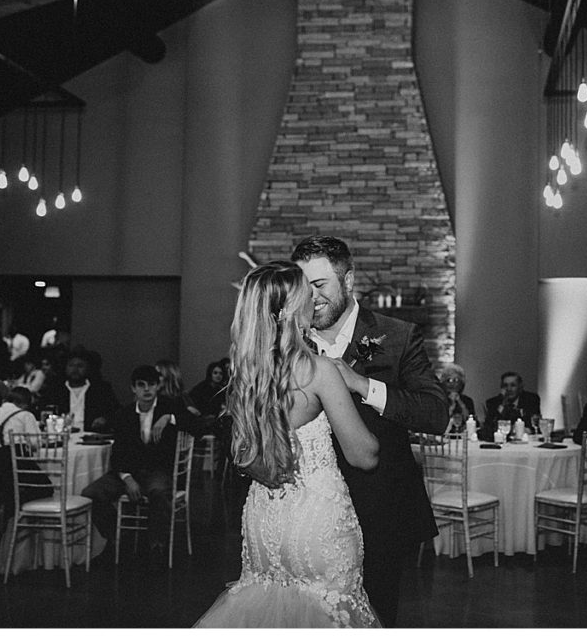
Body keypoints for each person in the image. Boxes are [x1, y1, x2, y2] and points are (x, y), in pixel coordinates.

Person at [194, 260, 380, 628]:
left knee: (265, 606)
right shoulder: (319, 371)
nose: (313, 298)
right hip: (318, 522)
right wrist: (362, 400)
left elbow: (244, 455)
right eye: (305, 293)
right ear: (288, 311)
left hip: (265, 519)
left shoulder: (247, 376)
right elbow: (364, 456)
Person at [290, 235, 448, 627]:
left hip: (379, 511)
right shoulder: (285, 339)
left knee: (373, 617)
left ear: (348, 281)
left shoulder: (397, 336)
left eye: (320, 285)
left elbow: (435, 412)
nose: (310, 298)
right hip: (305, 517)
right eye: (302, 286)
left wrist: (362, 386)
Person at [81, 365, 194, 567]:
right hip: (129, 471)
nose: (147, 390)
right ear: (133, 389)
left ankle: (156, 547)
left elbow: (199, 423)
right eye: (141, 385)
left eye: (151, 384)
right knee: (91, 492)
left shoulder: (168, 406)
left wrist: (169, 417)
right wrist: (127, 478)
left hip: (157, 470)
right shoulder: (124, 414)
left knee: (158, 492)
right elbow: (117, 454)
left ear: (158, 386)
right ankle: (116, 535)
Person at [0, 386, 41, 571]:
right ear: (24, 403)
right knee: (45, 487)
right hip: (17, 462)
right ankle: (13, 504)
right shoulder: (25, 415)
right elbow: (35, 444)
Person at [38, 346, 120, 432]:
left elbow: (115, 412)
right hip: (63, 436)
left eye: (80, 366)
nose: (75, 370)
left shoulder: (101, 389)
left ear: (88, 368)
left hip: (91, 437)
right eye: (71, 365)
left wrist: (105, 419)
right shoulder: (55, 390)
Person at [479, 371, 542, 441]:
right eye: (505, 386)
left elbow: (535, 425)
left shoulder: (531, 399)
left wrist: (525, 430)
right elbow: (489, 427)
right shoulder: (493, 403)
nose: (509, 389)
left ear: (520, 387)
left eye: (513, 385)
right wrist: (502, 403)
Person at [440, 363, 477, 434]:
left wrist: (461, 403)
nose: (453, 384)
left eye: (456, 380)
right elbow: (439, 422)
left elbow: (473, 422)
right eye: (449, 380)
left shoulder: (467, 401)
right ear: (443, 383)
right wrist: (451, 407)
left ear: (461, 383)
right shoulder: (439, 400)